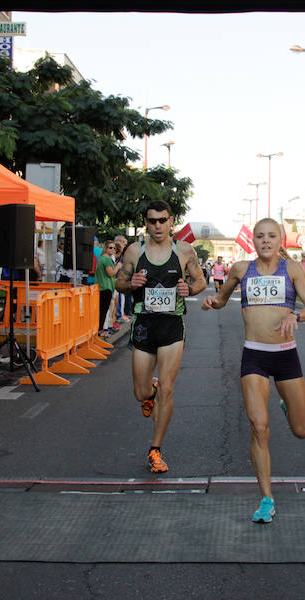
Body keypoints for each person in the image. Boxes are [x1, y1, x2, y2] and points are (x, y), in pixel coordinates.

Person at [201, 218, 305, 523]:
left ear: (281, 240)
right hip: (254, 355)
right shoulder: (241, 269)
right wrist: (212, 301)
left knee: (301, 430)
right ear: (252, 240)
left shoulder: (291, 269)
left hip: (285, 356)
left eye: (271, 236)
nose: (265, 241)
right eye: (260, 236)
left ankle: (286, 404)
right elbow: (221, 300)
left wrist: (296, 316)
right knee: (259, 427)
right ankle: (266, 498)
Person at [114, 200, 206, 473]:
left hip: (171, 326)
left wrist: (190, 289)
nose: (157, 225)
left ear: (170, 221)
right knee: (140, 392)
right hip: (143, 325)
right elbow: (118, 282)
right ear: (146, 222)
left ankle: (155, 449)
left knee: (168, 388)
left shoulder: (184, 251)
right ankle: (149, 392)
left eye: (162, 220)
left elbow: (200, 281)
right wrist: (131, 284)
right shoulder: (134, 251)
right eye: (152, 220)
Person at [95, 240, 120, 334]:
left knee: (103, 310)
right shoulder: (106, 260)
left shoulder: (102, 258)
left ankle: (100, 330)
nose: (113, 250)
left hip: (103, 287)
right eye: (110, 247)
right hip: (106, 288)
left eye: (114, 248)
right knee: (103, 311)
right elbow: (110, 273)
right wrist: (118, 266)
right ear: (105, 248)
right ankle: (101, 330)